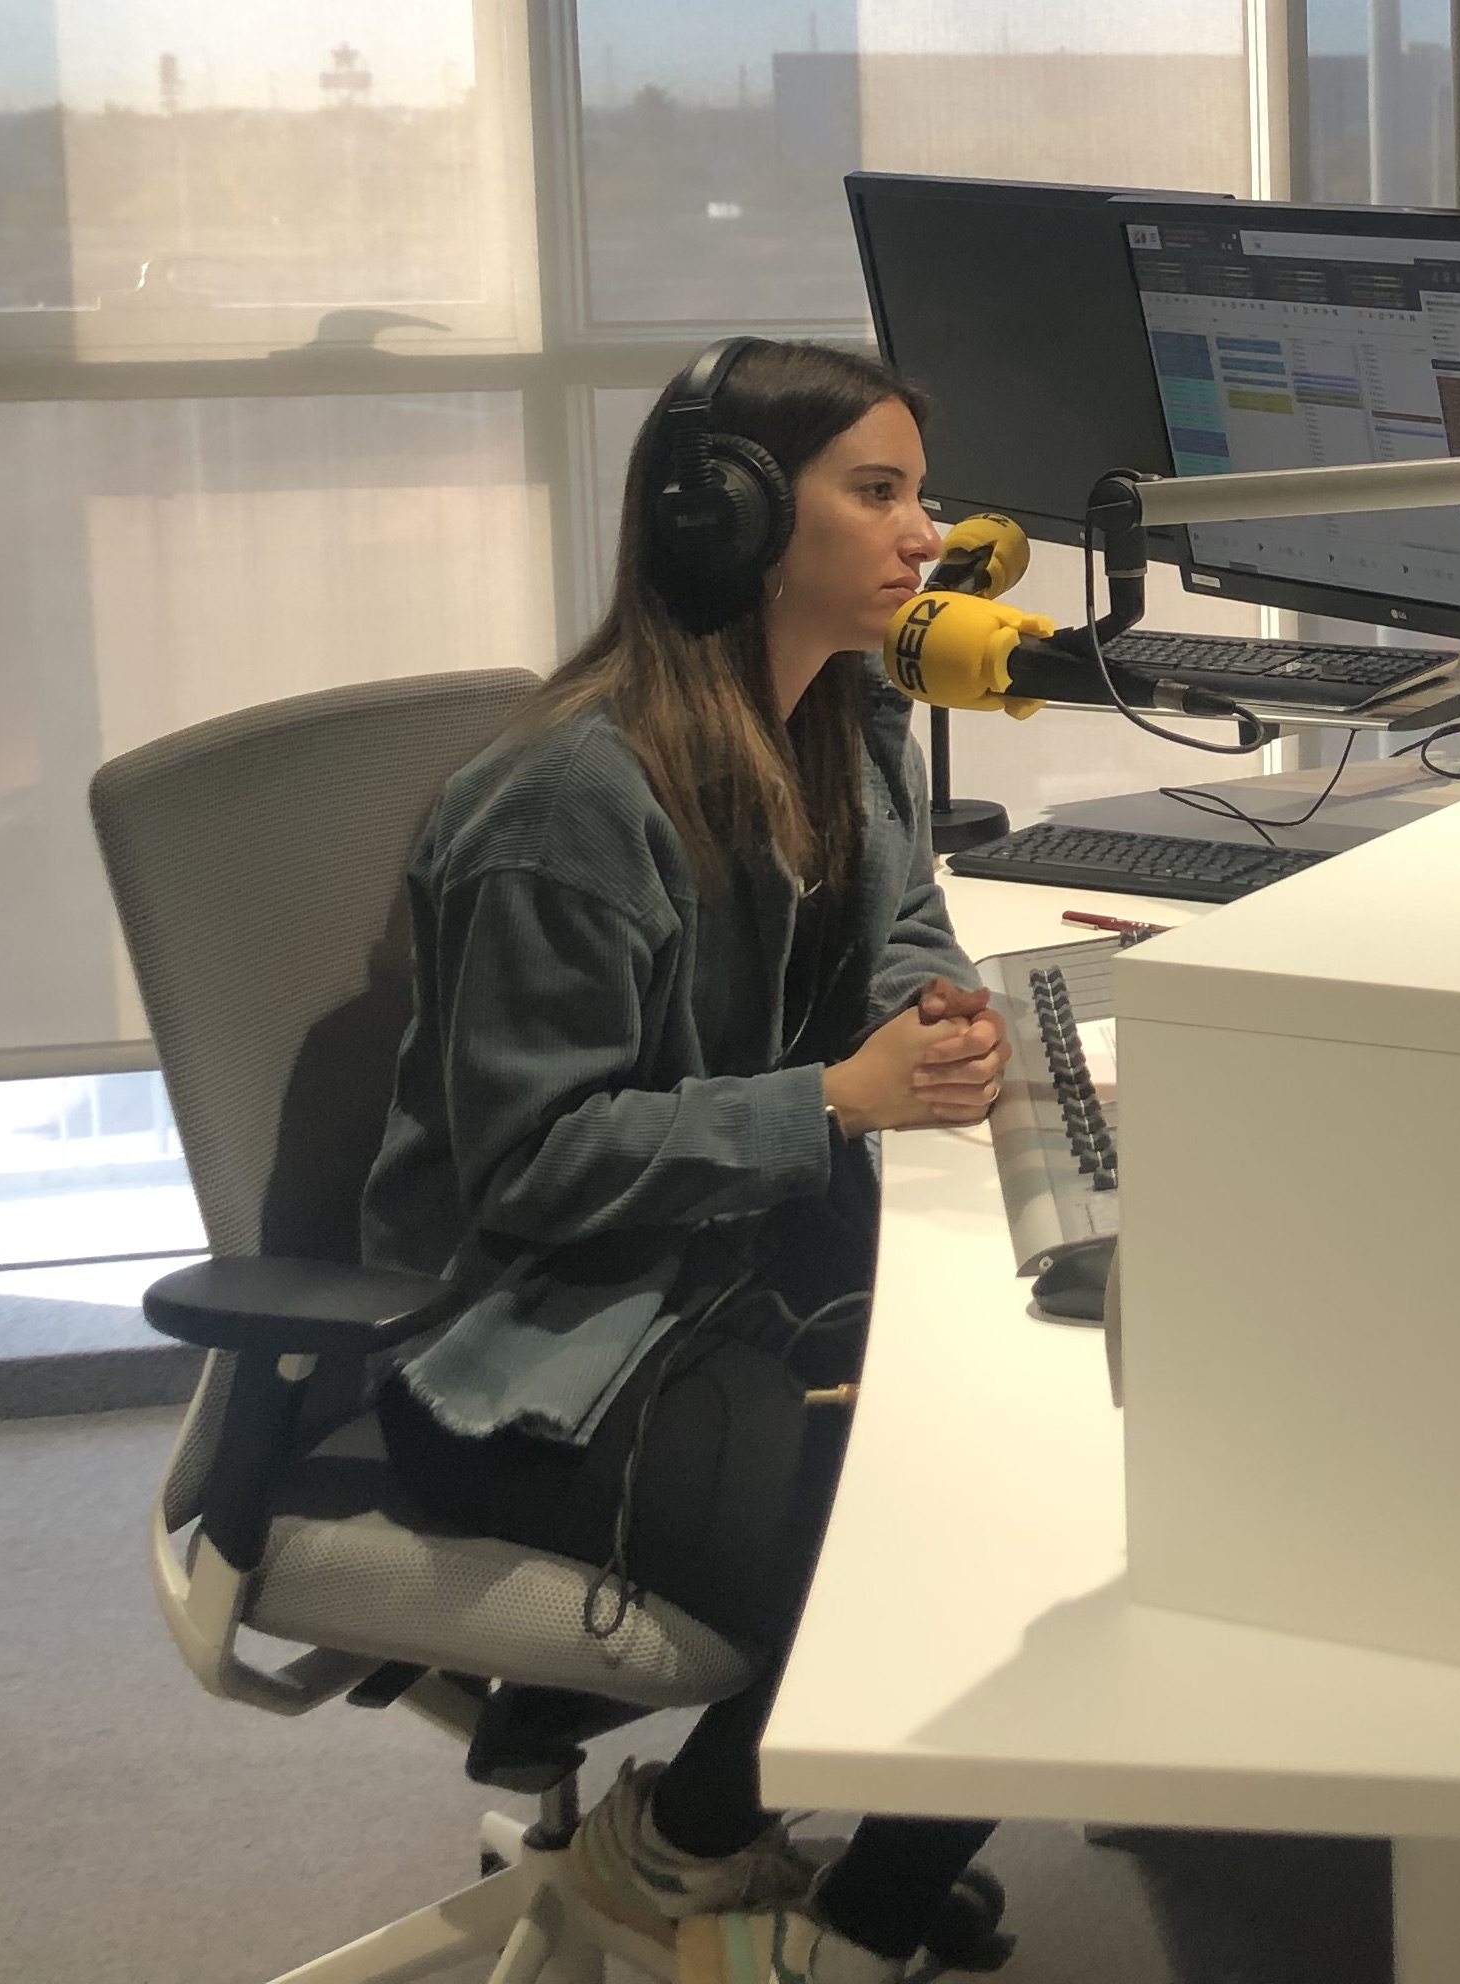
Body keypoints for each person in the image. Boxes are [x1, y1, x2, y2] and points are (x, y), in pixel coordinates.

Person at [362, 337, 1013, 1984]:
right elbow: (533, 1164)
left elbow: (900, 919)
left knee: (1035, 1454)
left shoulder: (842, 724)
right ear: (732, 515)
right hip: (541, 1344)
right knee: (958, 1554)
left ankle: (687, 1845)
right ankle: (809, 1922)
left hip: (718, 1277)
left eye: (921, 492)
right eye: (879, 492)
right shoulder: (567, 801)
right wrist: (836, 1102)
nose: (925, 534)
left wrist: (925, 1012)